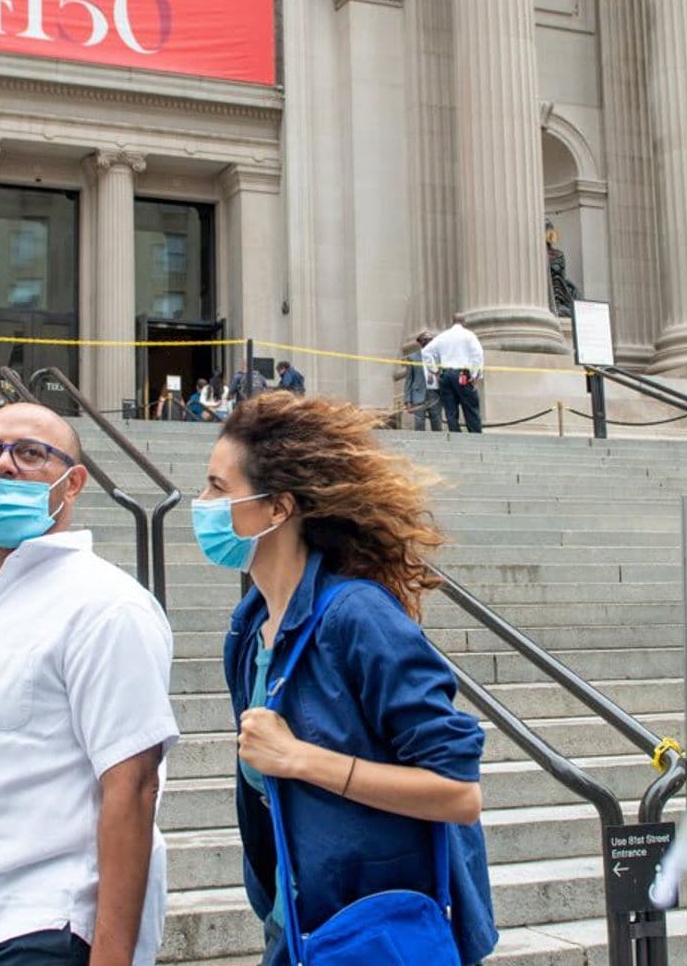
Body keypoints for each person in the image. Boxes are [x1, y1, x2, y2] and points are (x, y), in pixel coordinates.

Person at [193, 392, 496, 966]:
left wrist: (298, 758)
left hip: (377, 931)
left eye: (217, 487)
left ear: (277, 509)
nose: (202, 503)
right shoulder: (249, 626)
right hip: (298, 926)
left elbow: (459, 793)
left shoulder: (358, 617)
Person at [0, 402, 178, 965]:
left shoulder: (106, 607)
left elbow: (134, 785)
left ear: (73, 483)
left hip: (61, 922)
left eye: (29, 453)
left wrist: (110, 956)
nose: (3, 465)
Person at [422, 313, 484, 433]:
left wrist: (434, 370)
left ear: (453, 322)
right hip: (463, 375)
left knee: (450, 411)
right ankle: (476, 435)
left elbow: (426, 352)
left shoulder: (443, 336)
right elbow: (478, 354)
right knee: (470, 407)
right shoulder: (469, 335)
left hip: (445, 375)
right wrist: (475, 374)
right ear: (464, 322)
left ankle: (455, 436)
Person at [403, 330, 442, 432]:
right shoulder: (413, 358)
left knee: (437, 422)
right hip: (418, 394)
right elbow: (409, 379)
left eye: (430, 340)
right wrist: (407, 400)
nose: (428, 342)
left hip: (434, 393)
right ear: (420, 342)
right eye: (425, 340)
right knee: (419, 423)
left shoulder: (437, 356)